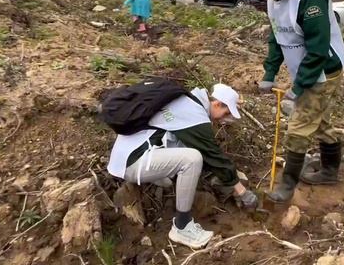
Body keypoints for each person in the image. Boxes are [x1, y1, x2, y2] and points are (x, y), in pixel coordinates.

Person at [243, 0, 344, 203]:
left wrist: (298, 87)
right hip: (306, 69)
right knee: (318, 119)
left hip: (324, 69)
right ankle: (330, 170)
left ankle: (287, 187)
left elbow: (318, 48)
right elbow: (277, 36)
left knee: (299, 125)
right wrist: (270, 72)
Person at [106, 83, 258, 249]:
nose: (224, 119)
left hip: (126, 156)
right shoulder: (195, 116)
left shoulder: (185, 102)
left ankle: (157, 180)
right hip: (133, 161)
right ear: (217, 104)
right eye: (226, 112)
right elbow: (213, 156)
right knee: (192, 159)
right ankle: (182, 226)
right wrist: (242, 191)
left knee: (187, 157)